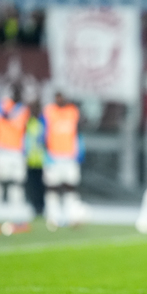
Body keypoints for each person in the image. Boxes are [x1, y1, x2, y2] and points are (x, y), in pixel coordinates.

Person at [0, 84, 30, 232]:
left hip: (17, 151)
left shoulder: (23, 109)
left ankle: (17, 220)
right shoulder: (0, 105)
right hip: (2, 150)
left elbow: (18, 124)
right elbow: (0, 115)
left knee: (17, 185)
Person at [41, 92, 85, 230]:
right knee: (52, 188)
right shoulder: (49, 111)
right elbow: (43, 132)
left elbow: (78, 131)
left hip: (69, 156)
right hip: (53, 156)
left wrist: (79, 150)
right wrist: (45, 152)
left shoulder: (73, 111)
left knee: (70, 187)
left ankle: (71, 216)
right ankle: (53, 217)